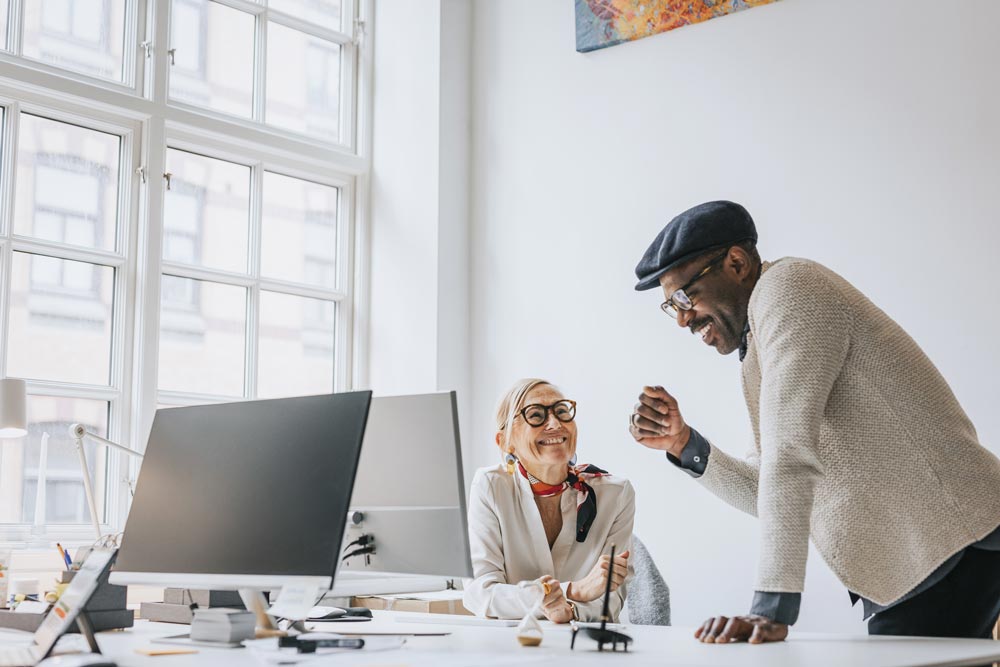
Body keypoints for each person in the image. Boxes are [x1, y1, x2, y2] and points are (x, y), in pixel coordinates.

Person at [629, 201, 1000, 643]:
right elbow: (768, 487)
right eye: (672, 306)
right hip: (929, 565)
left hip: (956, 548)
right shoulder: (758, 345)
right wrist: (684, 444)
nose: (683, 318)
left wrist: (771, 608)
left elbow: (789, 456)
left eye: (685, 296)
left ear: (736, 263)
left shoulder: (790, 290)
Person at [464, 378, 635, 622]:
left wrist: (569, 611)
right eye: (535, 415)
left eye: (562, 412)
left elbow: (612, 598)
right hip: (514, 647)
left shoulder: (616, 493)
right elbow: (479, 592)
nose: (555, 423)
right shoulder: (491, 485)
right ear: (505, 441)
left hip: (585, 648)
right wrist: (572, 591)